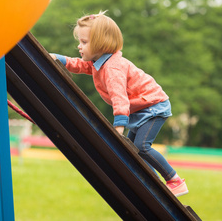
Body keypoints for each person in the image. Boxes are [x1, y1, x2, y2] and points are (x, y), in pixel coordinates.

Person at [50, 11, 188, 197]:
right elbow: (80, 65)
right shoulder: (99, 62)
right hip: (141, 108)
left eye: (84, 42)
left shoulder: (113, 68)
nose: (79, 46)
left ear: (100, 43)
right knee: (133, 151)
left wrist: (119, 127)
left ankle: (174, 180)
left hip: (153, 106)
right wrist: (59, 58)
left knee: (142, 147)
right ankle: (155, 185)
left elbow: (119, 97)